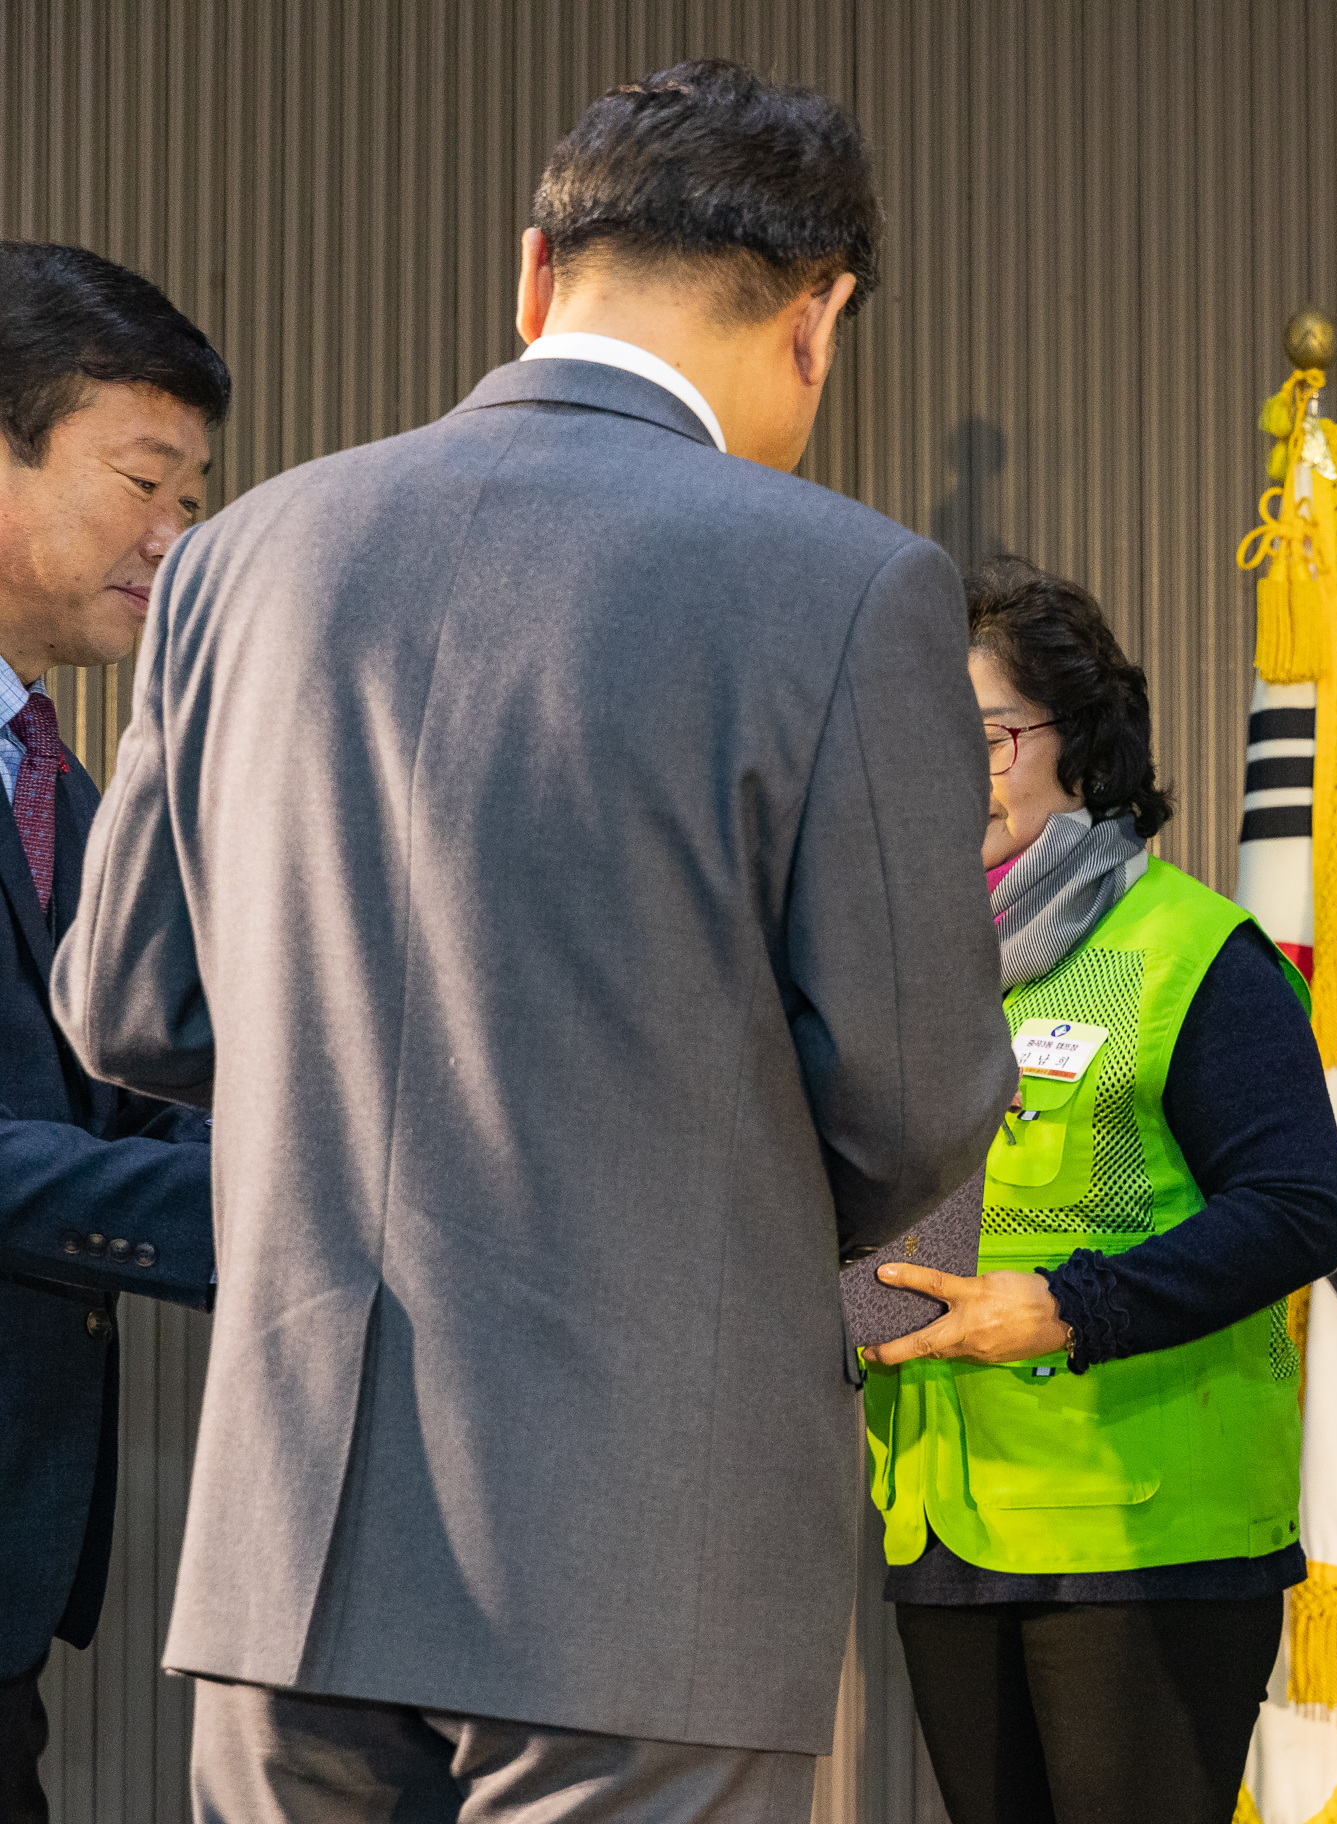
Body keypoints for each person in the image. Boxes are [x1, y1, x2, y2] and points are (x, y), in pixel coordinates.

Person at [48, 61, 1013, 1821]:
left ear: (531, 274)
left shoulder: (238, 558)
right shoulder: (848, 583)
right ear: (821, 317)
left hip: (297, 1546)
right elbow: (913, 1084)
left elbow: (126, 1006)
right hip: (649, 1553)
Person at [857, 557, 1337, 1824]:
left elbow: (1299, 1208)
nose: (949, 766)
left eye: (986, 736)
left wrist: (1069, 1306)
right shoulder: (901, 965)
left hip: (1147, 1547)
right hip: (946, 1532)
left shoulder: (1190, 952)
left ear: (1078, 744)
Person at [0, 242, 224, 1824]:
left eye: (192, 500)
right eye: (143, 480)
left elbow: (131, 1089)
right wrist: (295, 1214)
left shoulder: (63, 785)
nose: (174, 539)